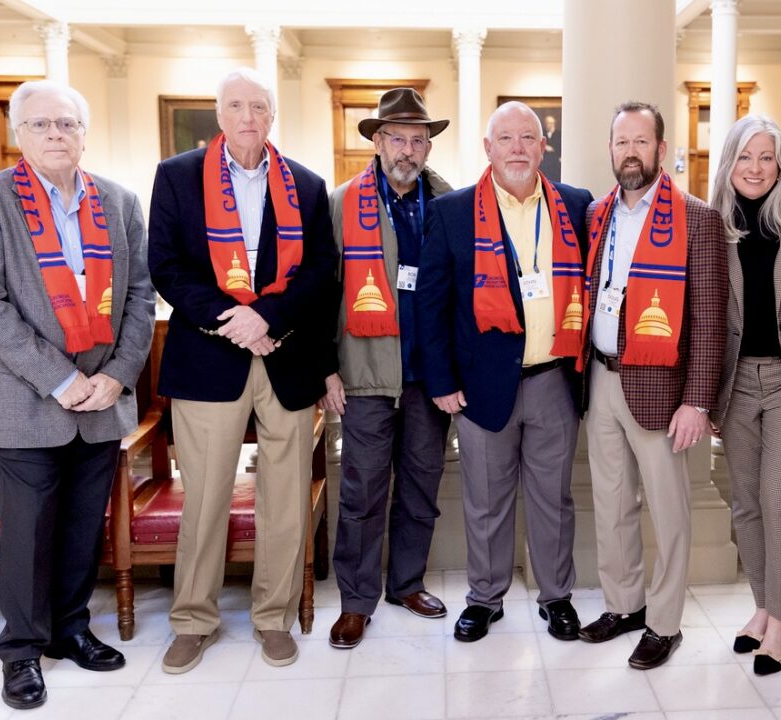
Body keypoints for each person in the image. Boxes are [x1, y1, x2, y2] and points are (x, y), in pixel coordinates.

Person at [148, 67, 340, 674]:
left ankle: (272, 617)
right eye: (236, 106)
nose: (248, 117)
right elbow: (166, 266)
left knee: (283, 498)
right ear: (219, 114)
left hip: (285, 360)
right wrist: (233, 318)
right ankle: (193, 620)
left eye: (258, 106)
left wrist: (268, 320)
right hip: (210, 357)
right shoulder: (177, 177)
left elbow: (318, 274)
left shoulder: (306, 186)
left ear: (271, 115)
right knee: (204, 498)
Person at [0, 80, 155, 710]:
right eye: (42, 124)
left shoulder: (119, 200)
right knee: (25, 532)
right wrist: (61, 378)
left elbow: (138, 296)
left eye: (68, 124)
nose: (57, 135)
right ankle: (22, 650)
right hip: (27, 401)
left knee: (84, 524)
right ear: (18, 134)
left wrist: (118, 373)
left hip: (104, 396)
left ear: (84, 132)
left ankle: (71, 629)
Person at [416, 101, 592, 643]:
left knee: (553, 500)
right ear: (487, 149)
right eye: (506, 138)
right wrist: (441, 382)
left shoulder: (577, 206)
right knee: (486, 500)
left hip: (554, 381)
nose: (517, 147)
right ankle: (484, 599)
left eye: (528, 138)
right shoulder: (453, 212)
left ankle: (556, 596)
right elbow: (432, 304)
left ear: (543, 148)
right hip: (479, 385)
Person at [576, 101, 727, 669]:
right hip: (602, 376)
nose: (630, 152)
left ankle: (664, 623)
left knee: (668, 510)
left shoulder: (697, 218)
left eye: (641, 142)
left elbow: (710, 319)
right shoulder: (598, 213)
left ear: (661, 149)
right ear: (610, 149)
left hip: (663, 387)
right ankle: (624, 605)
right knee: (611, 503)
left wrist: (697, 400)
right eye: (621, 143)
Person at [321, 88, 453, 649]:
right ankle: (356, 602)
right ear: (376, 142)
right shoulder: (341, 202)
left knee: (421, 487)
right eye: (396, 138)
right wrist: (326, 370)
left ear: (427, 146)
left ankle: (405, 582)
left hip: (431, 375)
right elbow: (321, 293)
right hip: (365, 373)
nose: (408, 149)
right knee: (363, 491)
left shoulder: (449, 201)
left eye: (417, 139)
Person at [709, 115, 781, 674]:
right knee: (747, 503)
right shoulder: (710, 226)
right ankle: (762, 605)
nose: (755, 168)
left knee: (780, 500)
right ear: (728, 162)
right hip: (734, 382)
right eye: (745, 157)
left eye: (767, 157)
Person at [541, 114, 562, 181]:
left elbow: (560, 148)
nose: (549, 125)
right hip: (545, 161)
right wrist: (545, 146)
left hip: (556, 160)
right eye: (547, 123)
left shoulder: (559, 134)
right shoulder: (542, 133)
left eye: (551, 123)